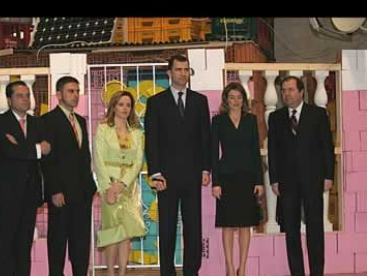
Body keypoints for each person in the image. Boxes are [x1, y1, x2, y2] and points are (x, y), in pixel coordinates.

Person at [144, 54, 211, 276]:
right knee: (167, 228)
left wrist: (205, 168)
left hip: (193, 175)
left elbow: (205, 138)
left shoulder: (200, 101)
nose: (183, 73)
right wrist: (155, 173)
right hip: (166, 177)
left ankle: (192, 271)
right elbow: (151, 140)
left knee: (193, 227)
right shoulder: (156, 102)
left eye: (186, 69)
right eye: (179, 69)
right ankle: (167, 272)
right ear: (169, 73)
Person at [268, 76, 335, 276]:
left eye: (290, 90)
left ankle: (317, 272)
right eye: (283, 91)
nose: (286, 94)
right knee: (291, 230)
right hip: (287, 183)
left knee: (315, 229)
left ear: (301, 92)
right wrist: (274, 179)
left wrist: (328, 175)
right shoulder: (276, 117)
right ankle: (296, 272)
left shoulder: (318, 114)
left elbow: (327, 147)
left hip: (313, 180)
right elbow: (273, 151)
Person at [0, 81, 50, 276]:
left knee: (24, 244)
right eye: (19, 95)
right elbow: (8, 151)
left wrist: (24, 149)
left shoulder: (37, 123)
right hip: (5, 195)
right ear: (9, 99)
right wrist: (37, 149)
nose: (25, 99)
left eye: (27, 95)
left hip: (30, 194)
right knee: (4, 244)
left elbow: (40, 153)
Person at [41, 76, 97, 276]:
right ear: (59, 95)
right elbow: (48, 160)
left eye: (76, 91)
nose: (75, 95)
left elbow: (84, 156)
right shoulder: (48, 120)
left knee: (81, 243)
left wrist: (91, 187)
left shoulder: (80, 120)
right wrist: (55, 190)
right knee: (58, 242)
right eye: (70, 91)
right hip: (61, 194)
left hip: (82, 193)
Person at [211, 82, 264, 276]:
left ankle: (242, 267)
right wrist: (215, 182)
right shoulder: (218, 121)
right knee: (228, 225)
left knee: (244, 225)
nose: (235, 101)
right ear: (226, 100)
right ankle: (230, 269)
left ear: (244, 100)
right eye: (232, 97)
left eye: (239, 97)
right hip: (225, 178)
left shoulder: (251, 120)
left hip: (247, 178)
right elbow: (212, 153)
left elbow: (255, 152)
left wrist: (259, 181)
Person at [94, 90, 146, 276]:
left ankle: (123, 272)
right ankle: (110, 272)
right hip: (109, 187)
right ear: (114, 106)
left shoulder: (138, 133)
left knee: (126, 233)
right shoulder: (103, 129)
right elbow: (98, 160)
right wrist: (108, 188)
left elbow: (138, 162)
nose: (125, 108)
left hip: (129, 188)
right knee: (112, 232)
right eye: (121, 104)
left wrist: (123, 184)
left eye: (128, 105)